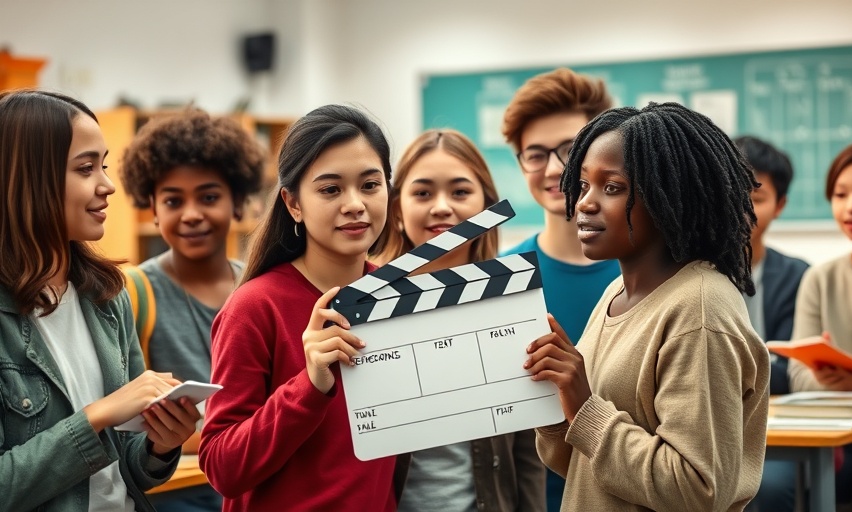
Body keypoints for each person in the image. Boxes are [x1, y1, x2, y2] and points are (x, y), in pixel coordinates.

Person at [524, 102, 770, 511]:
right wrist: (558, 407)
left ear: (667, 195)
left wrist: (586, 408)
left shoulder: (700, 311)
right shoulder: (616, 294)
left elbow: (697, 490)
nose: (584, 203)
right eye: (583, 185)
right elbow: (582, 466)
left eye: (613, 187)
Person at [0, 90, 200, 511]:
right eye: (86, 168)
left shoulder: (108, 297)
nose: (108, 185)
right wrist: (97, 416)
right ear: (28, 178)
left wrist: (161, 445)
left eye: (103, 166)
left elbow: (129, 466)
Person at [198, 104, 399, 511]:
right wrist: (309, 385)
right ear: (293, 204)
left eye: (370, 185)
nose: (355, 204)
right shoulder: (254, 307)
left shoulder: (399, 294)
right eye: (330, 189)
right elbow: (222, 466)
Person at [371, 128, 546, 511]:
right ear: (397, 210)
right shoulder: (365, 305)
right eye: (422, 193)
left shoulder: (513, 303)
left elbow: (528, 452)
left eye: (460, 191)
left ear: (487, 205)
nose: (441, 207)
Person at [118, 108, 265, 512]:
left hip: (254, 484)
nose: (192, 213)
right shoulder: (134, 293)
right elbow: (127, 422)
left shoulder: (260, 288)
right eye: (173, 200)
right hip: (175, 493)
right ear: (152, 207)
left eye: (209, 196)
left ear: (238, 203)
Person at [500, 67, 620, 510]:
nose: (554, 168)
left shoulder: (647, 273)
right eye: (535, 154)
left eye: (571, 150)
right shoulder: (500, 276)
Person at [756, 140, 852, 512]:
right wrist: (834, 375)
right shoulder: (820, 279)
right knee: (773, 487)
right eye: (839, 193)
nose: (851, 206)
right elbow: (799, 374)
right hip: (833, 433)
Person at [733, 135, 809, 394]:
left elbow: (789, 372)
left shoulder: (798, 276)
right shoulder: (685, 272)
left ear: (780, 205)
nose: (742, 209)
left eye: (757, 198)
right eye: (730, 194)